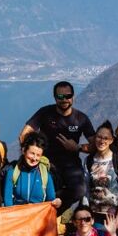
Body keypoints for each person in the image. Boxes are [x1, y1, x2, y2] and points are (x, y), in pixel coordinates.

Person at [20, 81, 96, 212]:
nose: (64, 99)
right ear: (55, 97)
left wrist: (77, 147)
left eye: (68, 96)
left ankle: (51, 213)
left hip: (71, 165)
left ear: (73, 96)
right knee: (39, 191)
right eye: (60, 97)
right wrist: (35, 152)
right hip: (46, 163)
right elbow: (24, 134)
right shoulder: (45, 113)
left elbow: (95, 146)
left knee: (79, 190)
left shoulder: (81, 118)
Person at [81, 121, 118, 230]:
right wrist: (86, 214)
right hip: (94, 216)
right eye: (99, 137)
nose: (102, 141)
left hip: (115, 216)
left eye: (106, 138)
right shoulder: (88, 161)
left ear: (111, 140)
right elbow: (85, 189)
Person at [3, 132, 62, 208]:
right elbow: (8, 201)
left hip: (38, 217)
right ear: (23, 150)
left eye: (38, 155)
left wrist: (57, 203)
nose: (34, 158)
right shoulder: (12, 172)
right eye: (32, 153)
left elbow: (51, 200)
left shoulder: (45, 175)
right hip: (18, 217)